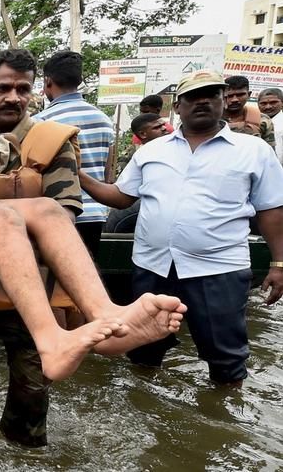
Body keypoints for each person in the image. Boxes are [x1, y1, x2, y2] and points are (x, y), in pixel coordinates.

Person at [0, 49, 185, 447]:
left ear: (36, 93)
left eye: (23, 89)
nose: (14, 97)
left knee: (32, 393)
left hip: (31, 294)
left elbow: (61, 218)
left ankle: (23, 453)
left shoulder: (53, 142)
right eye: (2, 88)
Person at [79, 69, 283, 386]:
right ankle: (144, 403)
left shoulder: (253, 150)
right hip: (153, 266)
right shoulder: (151, 151)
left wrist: (279, 262)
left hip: (218, 269)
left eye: (211, 94)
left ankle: (225, 415)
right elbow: (120, 198)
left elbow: (271, 209)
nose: (202, 101)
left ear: (222, 100)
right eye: (192, 97)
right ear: (178, 106)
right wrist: (77, 174)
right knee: (143, 349)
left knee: (225, 355)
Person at [35, 50, 114, 257]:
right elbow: (108, 175)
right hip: (95, 215)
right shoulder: (104, 120)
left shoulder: (42, 121)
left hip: (58, 213)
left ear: (48, 81)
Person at [223, 75, 275, 148]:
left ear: (249, 94)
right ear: (222, 96)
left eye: (240, 94)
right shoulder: (212, 119)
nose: (235, 99)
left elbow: (270, 153)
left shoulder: (263, 120)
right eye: (230, 96)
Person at [257, 87, 283, 163]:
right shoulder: (253, 122)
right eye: (263, 103)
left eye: (273, 102)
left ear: (282, 103)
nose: (268, 106)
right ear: (258, 105)